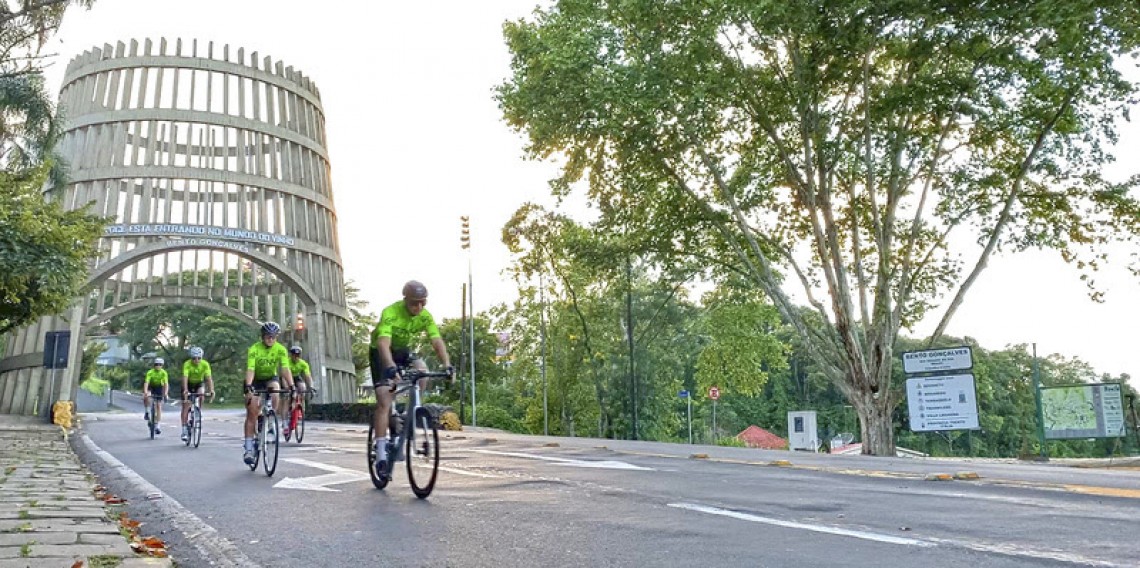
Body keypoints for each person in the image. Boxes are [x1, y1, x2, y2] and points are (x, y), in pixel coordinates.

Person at [369, 280, 454, 476]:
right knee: (384, 400)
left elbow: (436, 341)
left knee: (422, 370)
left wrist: (447, 365)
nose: (419, 307)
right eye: (414, 303)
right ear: (405, 300)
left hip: (402, 351)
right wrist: (390, 367)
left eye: (423, 302)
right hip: (381, 353)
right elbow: (383, 343)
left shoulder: (424, 316)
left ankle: (410, 412)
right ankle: (381, 452)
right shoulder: (391, 312)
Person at [242, 322, 294, 465]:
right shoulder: (254, 349)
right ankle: (248, 449)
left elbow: (284, 369)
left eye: (273, 336)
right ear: (263, 337)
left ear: (276, 337)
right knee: (252, 413)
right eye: (267, 336)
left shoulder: (281, 349)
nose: (270, 339)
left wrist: (292, 385)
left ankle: (270, 420)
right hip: (255, 379)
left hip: (270, 378)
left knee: (275, 390)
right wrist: (248, 386)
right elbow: (251, 369)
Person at [180, 346, 215, 442]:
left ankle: (198, 411)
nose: (196, 360)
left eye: (199, 358)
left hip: (199, 383)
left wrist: (212, 390)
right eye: (194, 358)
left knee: (201, 394)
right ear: (191, 358)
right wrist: (186, 390)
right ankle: (184, 430)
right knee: (186, 406)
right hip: (188, 383)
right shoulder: (187, 364)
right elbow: (185, 377)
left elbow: (208, 378)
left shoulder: (205, 364)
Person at [285, 345, 312, 439]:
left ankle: (301, 408)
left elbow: (307, 376)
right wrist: (288, 388)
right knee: (291, 392)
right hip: (287, 377)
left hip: (296, 377)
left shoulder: (303, 363)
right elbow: (284, 375)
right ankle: (289, 409)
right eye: (294, 355)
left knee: (303, 387)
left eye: (298, 355)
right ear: (291, 355)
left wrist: (311, 386)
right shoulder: (287, 362)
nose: (296, 357)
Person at [142, 358, 169, 434]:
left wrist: (166, 394)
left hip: (159, 388)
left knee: (159, 406)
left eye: (160, 365)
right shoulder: (150, 372)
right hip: (151, 387)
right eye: (156, 364)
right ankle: (147, 412)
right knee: (146, 396)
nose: (158, 366)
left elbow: (166, 384)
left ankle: (158, 426)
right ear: (154, 365)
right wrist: (145, 392)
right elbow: (146, 383)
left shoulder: (164, 373)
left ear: (162, 366)